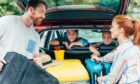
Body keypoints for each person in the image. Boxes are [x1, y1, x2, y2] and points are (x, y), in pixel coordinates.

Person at [0, 0, 47, 71]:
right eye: (41, 12)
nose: (44, 16)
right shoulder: (7, 21)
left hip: (21, 76)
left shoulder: (35, 36)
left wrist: (38, 62)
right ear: (31, 10)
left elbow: (35, 57)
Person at [92, 15, 140, 83]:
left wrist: (100, 80)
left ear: (121, 30)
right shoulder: (131, 45)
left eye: (112, 27)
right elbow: (114, 55)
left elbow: (112, 81)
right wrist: (100, 59)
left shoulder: (123, 52)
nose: (110, 29)